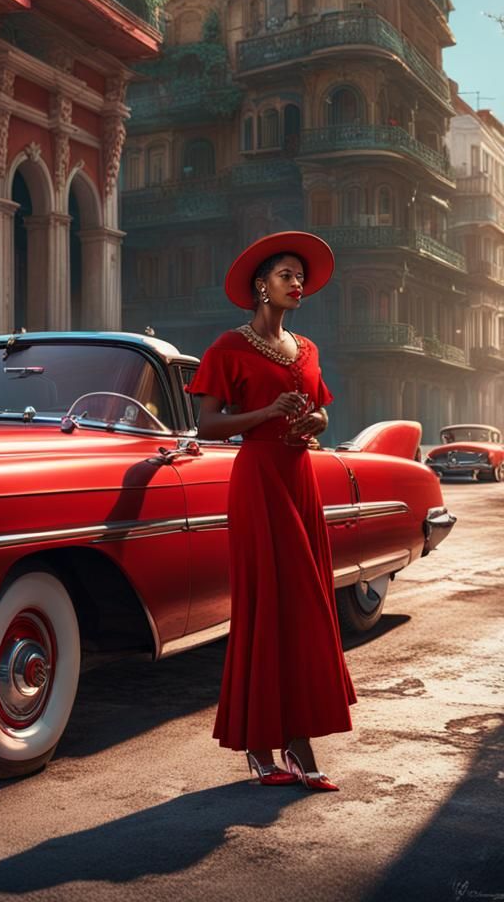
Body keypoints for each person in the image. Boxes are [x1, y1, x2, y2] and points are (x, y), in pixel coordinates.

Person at [186, 230, 356, 792]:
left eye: (300, 277)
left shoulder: (307, 349)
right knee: (267, 606)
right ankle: (269, 747)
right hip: (257, 480)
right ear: (261, 286)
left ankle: (292, 743)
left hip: (299, 477)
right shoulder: (227, 348)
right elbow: (207, 426)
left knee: (307, 604)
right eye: (287, 275)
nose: (297, 284)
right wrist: (263, 414)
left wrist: (315, 421)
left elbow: (323, 411)